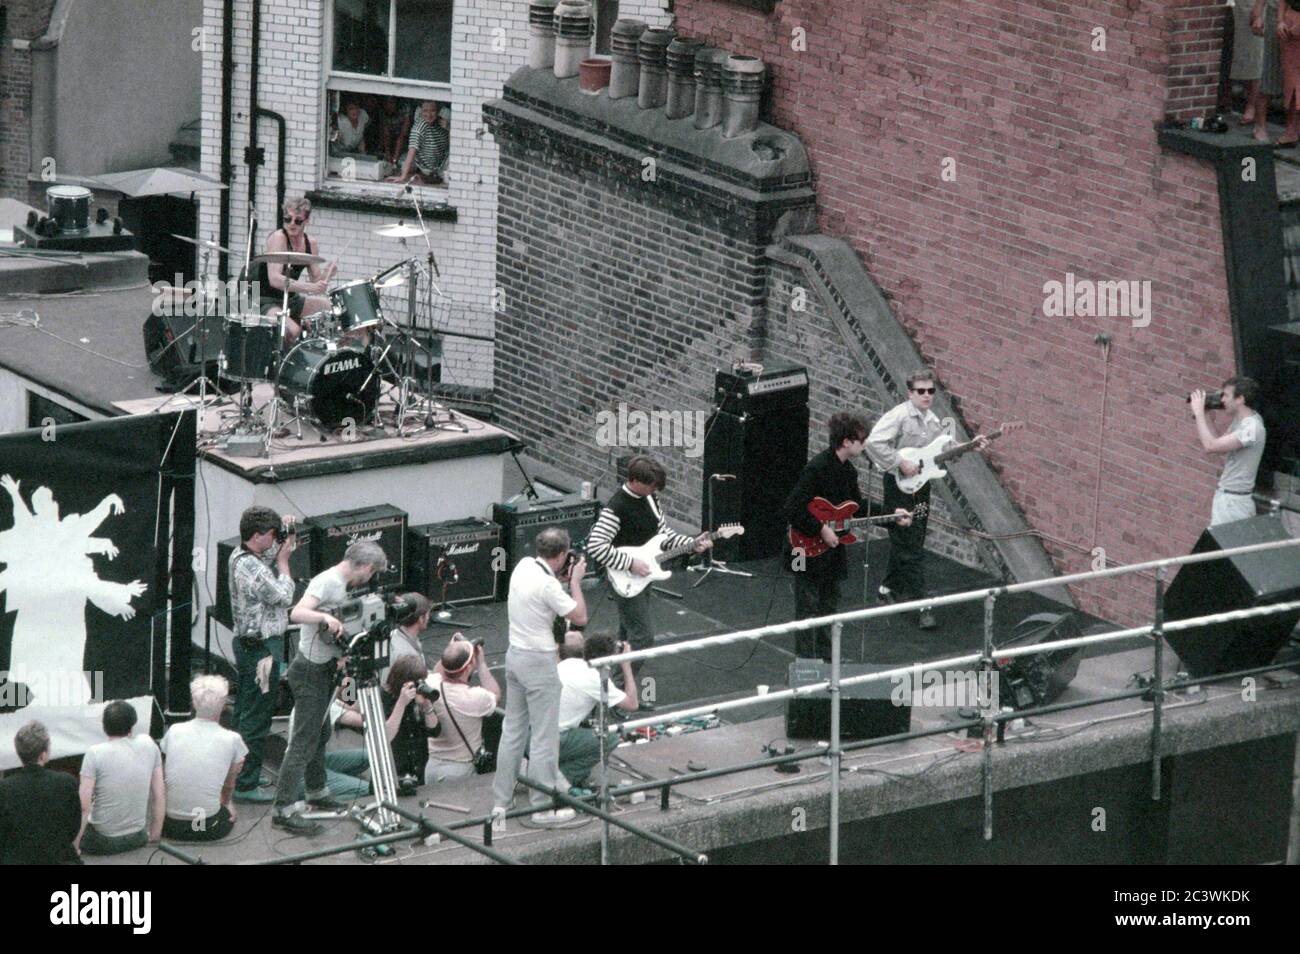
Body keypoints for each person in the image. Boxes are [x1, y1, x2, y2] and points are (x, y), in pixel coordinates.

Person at [272, 540, 388, 835]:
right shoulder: (326, 582)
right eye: (371, 571)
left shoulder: (346, 584)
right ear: (362, 565)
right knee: (303, 740)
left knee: (321, 732)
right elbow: (296, 613)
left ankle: (316, 790)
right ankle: (283, 809)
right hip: (310, 671)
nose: (370, 577)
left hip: (326, 668)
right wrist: (324, 616)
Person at [867, 369, 987, 631]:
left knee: (913, 539)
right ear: (910, 393)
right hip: (898, 486)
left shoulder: (933, 421)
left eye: (930, 391)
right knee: (909, 544)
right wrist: (901, 462)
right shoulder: (898, 416)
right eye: (920, 391)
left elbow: (942, 452)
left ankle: (886, 589)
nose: (926, 396)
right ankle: (922, 603)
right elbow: (874, 442)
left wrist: (968, 447)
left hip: (921, 488)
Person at [784, 412, 910, 659]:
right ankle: (806, 664)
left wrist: (892, 515)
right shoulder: (817, 468)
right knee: (807, 607)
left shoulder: (848, 472)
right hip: (801, 548)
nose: (864, 446)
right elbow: (792, 507)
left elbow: (856, 506)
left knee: (828, 606)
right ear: (846, 442)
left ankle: (826, 658)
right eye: (861, 441)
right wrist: (821, 528)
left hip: (830, 550)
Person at [491, 527, 589, 827]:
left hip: (514, 657)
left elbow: (545, 588)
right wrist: (575, 582)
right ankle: (542, 808)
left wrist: (560, 578)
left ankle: (501, 803)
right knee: (545, 738)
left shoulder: (522, 566)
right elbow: (580, 617)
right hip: (539, 661)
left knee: (513, 732)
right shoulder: (550, 586)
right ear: (562, 555)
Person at [586, 455, 711, 688]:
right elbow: (595, 546)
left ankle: (614, 688)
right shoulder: (616, 508)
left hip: (643, 576)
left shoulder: (651, 498)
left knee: (626, 636)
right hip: (626, 576)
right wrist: (630, 563)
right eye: (652, 485)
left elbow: (664, 536)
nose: (655, 490)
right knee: (643, 637)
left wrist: (692, 542)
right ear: (635, 481)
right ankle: (620, 688)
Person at [228, 506, 296, 803]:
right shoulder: (251, 567)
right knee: (256, 718)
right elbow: (284, 595)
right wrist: (284, 563)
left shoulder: (241, 556)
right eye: (270, 535)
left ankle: (241, 773)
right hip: (262, 653)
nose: (273, 540)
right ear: (257, 535)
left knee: (245, 711)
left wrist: (286, 537)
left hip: (249, 647)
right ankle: (245, 784)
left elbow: (266, 558)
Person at [159, 675, 246, 842]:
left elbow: (165, 775)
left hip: (171, 826)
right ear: (222, 705)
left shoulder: (174, 730)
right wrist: (227, 804)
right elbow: (229, 785)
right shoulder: (232, 739)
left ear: (194, 702)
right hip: (207, 826)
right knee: (226, 810)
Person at [75, 701, 164, 855]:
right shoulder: (148, 744)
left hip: (103, 841)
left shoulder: (95, 753)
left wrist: (75, 846)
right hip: (138, 837)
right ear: (132, 725)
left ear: (104, 726)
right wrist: (155, 833)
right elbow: (159, 793)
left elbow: (84, 807)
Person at [557, 631, 637, 790]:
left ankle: (544, 768)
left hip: (530, 736)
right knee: (610, 739)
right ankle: (561, 780)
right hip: (553, 740)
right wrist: (626, 665)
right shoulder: (595, 678)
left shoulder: (566, 663)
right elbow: (632, 704)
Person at [256, 196, 337, 345]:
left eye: (297, 220)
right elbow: (274, 279)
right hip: (263, 298)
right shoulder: (278, 238)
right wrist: (308, 287)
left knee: (330, 308)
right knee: (293, 330)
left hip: (290, 298)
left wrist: (328, 274)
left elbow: (316, 282)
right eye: (288, 219)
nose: (291, 224)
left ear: (307, 221)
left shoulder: (310, 243)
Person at [0, 721, 81, 864]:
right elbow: (73, 828)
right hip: (57, 858)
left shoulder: (5, 788)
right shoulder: (66, 782)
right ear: (43, 755)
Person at [1190, 377, 1266, 526]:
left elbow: (1210, 446)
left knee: (1226, 548)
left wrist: (1198, 413)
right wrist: (1206, 415)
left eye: (1226, 395)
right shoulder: (1242, 421)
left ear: (1240, 399)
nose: (1222, 400)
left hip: (1234, 503)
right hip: (1228, 499)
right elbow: (1217, 447)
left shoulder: (1252, 428)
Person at [426, 634, 501, 783]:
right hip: (459, 772)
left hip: (432, 768)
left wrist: (451, 650)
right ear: (467, 668)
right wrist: (481, 663)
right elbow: (495, 694)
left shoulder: (431, 687)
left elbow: (437, 672)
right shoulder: (474, 698)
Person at [380, 654, 441, 787]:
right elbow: (386, 736)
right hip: (393, 770)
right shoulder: (383, 696)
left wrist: (427, 706)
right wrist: (401, 703)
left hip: (419, 767)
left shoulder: (419, 698)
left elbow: (435, 731)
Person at [386, 101, 449, 185]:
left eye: (432, 110)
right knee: (404, 164)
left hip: (441, 164)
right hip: (423, 166)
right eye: (425, 111)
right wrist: (403, 176)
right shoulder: (418, 128)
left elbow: (457, 145)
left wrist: (449, 128)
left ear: (438, 111)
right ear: (420, 111)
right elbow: (412, 152)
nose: (429, 114)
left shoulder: (443, 123)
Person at [380, 592, 431, 684]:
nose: (429, 618)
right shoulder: (407, 656)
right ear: (421, 618)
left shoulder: (393, 636)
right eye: (428, 614)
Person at [380, 96, 412, 167]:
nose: (389, 106)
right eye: (386, 103)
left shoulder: (405, 108)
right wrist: (388, 154)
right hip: (391, 136)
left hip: (406, 138)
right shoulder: (383, 111)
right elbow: (386, 134)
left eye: (391, 103)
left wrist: (395, 159)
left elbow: (403, 133)